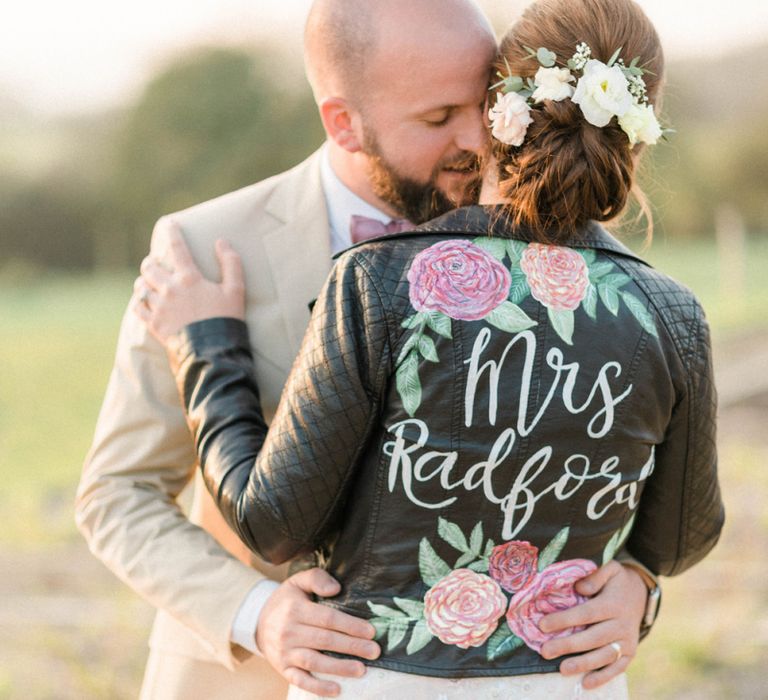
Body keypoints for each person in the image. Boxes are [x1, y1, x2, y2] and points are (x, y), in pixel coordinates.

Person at [133, 0, 724, 698]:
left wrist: (207, 347)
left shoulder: (375, 280)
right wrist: (634, 581)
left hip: (376, 680)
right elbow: (685, 535)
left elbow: (272, 526)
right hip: (565, 685)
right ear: (639, 134)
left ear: (498, 110)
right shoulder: (671, 315)